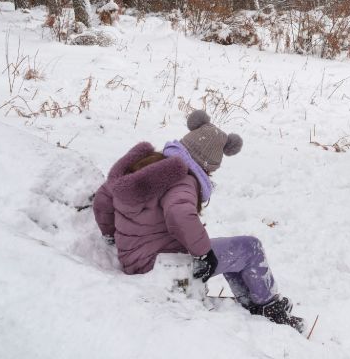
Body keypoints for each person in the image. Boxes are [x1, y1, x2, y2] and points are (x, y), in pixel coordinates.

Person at [93, 110, 303, 331]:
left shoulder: (146, 165)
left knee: (228, 252)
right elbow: (179, 213)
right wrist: (203, 252)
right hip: (162, 268)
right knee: (249, 247)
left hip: (133, 261)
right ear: (206, 165)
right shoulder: (183, 178)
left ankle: (251, 304)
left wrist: (110, 236)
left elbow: (102, 200)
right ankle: (271, 310)